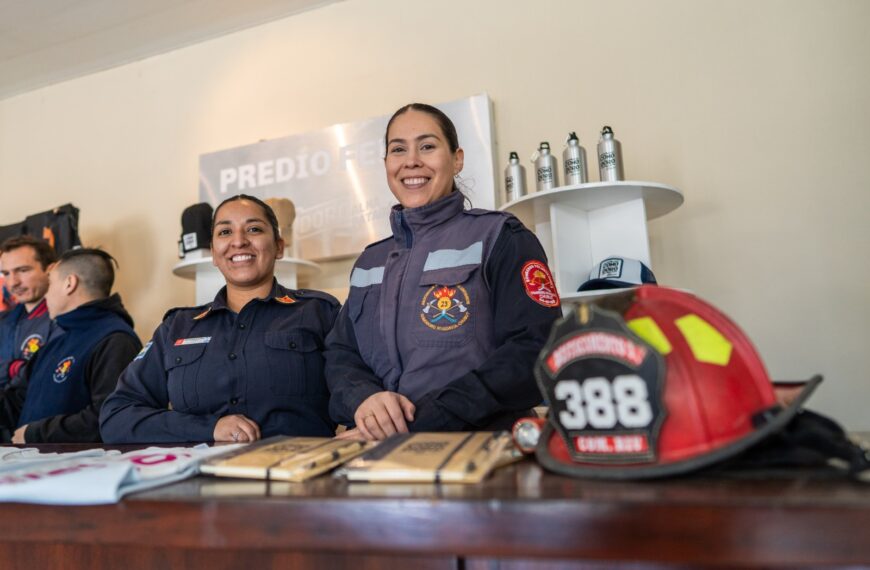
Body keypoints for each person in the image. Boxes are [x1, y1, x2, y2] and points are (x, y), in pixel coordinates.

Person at [325, 103, 563, 441]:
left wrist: (418, 423)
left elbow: (534, 350)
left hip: (480, 449)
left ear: (457, 158)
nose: (411, 161)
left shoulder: (501, 237)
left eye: (427, 146)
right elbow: (341, 353)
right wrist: (364, 399)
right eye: (398, 149)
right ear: (386, 165)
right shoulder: (369, 262)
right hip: (379, 456)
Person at [100, 195, 339, 443]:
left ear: (279, 246)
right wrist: (208, 428)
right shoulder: (178, 326)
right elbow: (117, 416)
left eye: (254, 229)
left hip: (297, 475)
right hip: (198, 477)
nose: (239, 241)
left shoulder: (318, 312)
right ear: (214, 253)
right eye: (225, 232)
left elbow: (357, 386)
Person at [0, 248, 141, 443]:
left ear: (69, 284)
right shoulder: (56, 343)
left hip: (83, 470)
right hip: (36, 467)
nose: (46, 295)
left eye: (50, 282)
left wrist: (35, 433)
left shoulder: (115, 340)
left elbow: (110, 417)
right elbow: (14, 402)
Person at [0, 236, 58, 389]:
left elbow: (47, 376)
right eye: (6, 273)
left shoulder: (64, 321)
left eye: (23, 270)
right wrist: (15, 368)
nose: (13, 282)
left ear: (50, 269)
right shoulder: (4, 321)